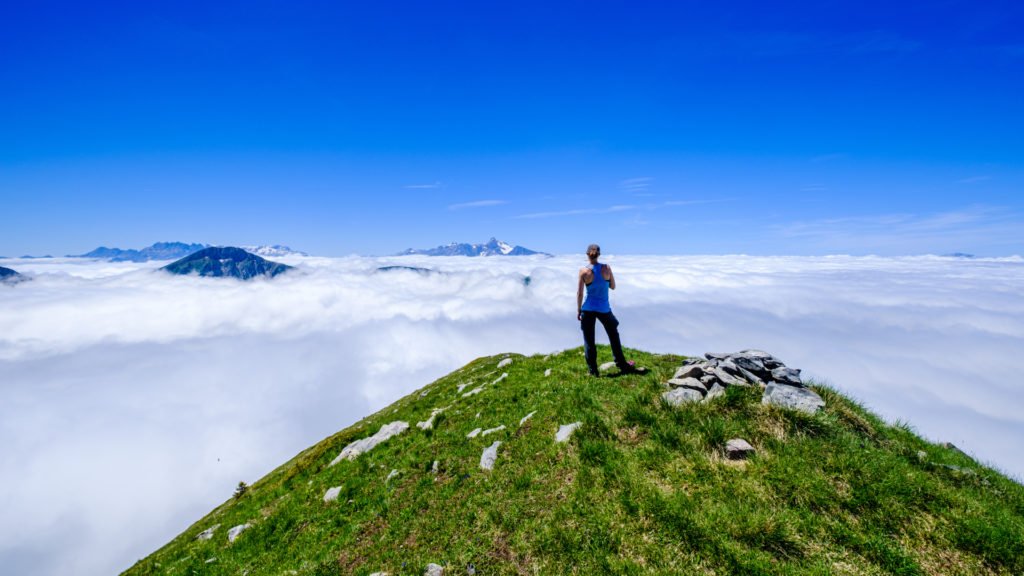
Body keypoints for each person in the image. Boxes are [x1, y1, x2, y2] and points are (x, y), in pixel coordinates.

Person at [577, 244, 641, 376]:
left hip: (588, 308)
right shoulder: (606, 268)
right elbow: (613, 286)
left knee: (589, 340)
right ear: (599, 254)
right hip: (604, 309)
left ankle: (593, 371)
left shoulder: (583, 271)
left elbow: (579, 293)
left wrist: (579, 310)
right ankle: (622, 364)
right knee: (613, 335)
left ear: (587, 254)